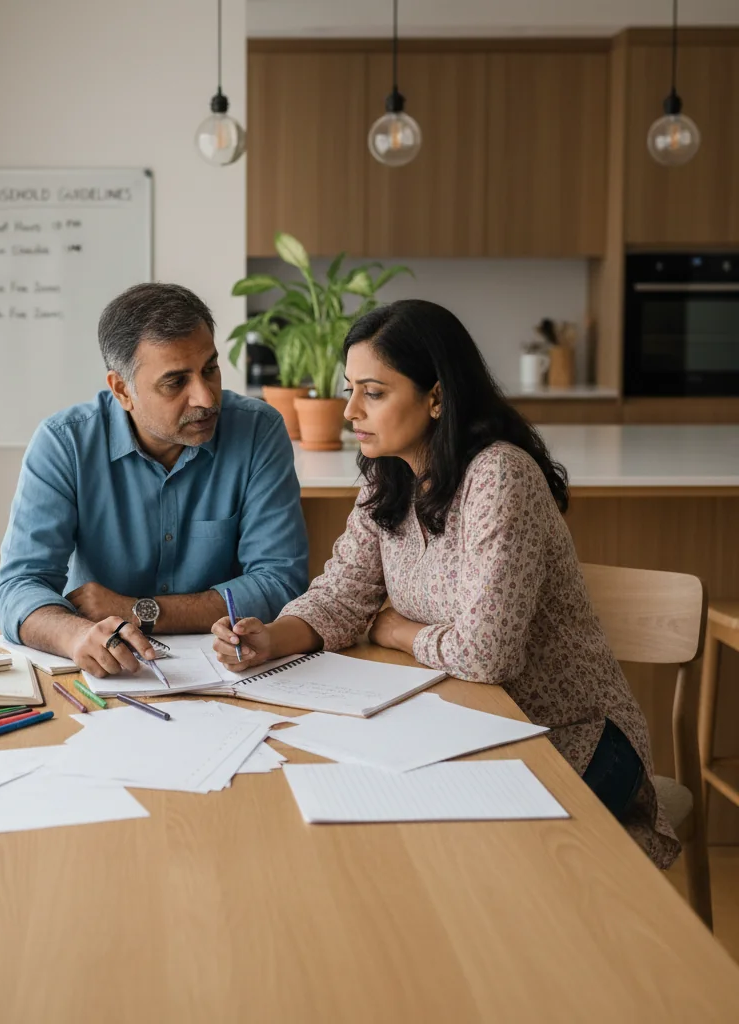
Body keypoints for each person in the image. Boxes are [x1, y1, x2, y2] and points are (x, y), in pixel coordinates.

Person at [212, 299, 678, 867]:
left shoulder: (498, 476)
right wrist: (273, 636)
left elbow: (488, 655)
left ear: (436, 396)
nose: (350, 409)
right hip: (473, 730)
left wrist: (397, 631)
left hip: (572, 738)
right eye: (350, 388)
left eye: (373, 392)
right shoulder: (388, 477)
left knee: (474, 864)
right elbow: (342, 594)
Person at [0, 282, 308, 679]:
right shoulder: (64, 443)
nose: (207, 398)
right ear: (122, 390)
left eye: (210, 369)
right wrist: (76, 635)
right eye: (176, 382)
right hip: (112, 674)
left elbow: (281, 584)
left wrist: (139, 610)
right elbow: (18, 587)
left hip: (233, 673)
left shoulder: (259, 431)